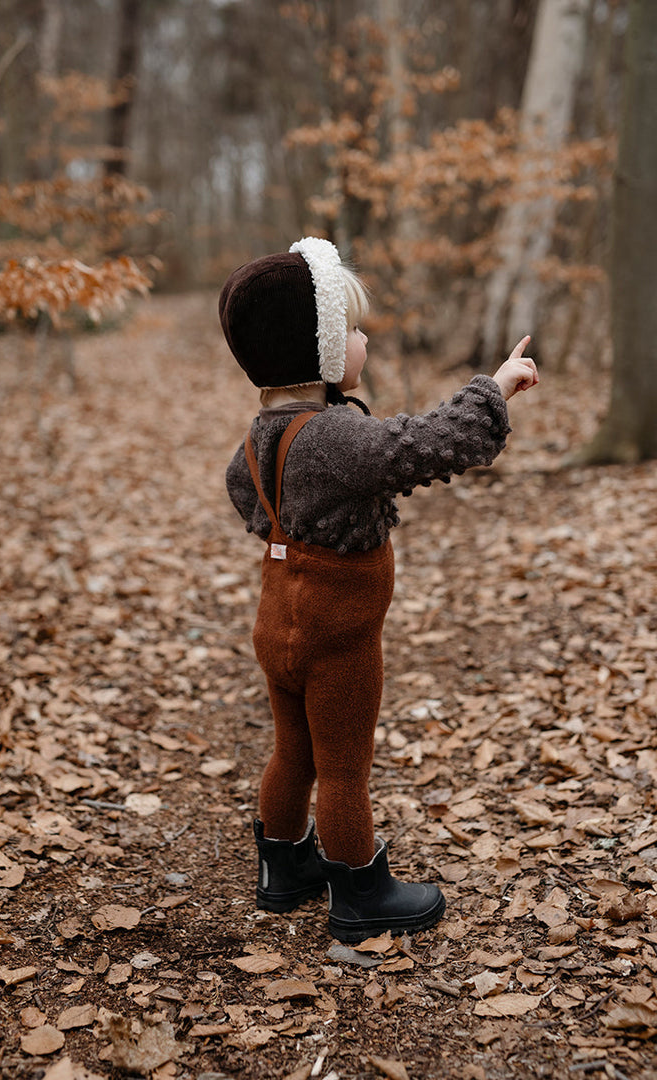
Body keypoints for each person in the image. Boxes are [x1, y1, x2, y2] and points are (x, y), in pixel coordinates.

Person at [220, 236, 538, 943]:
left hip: (278, 624)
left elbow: (242, 488)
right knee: (342, 768)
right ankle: (360, 892)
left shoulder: (262, 431)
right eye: (353, 330)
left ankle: (282, 867)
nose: (364, 340)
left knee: (292, 750)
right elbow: (424, 443)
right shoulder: (335, 437)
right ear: (322, 351)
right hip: (337, 636)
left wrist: (293, 524)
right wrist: (494, 387)